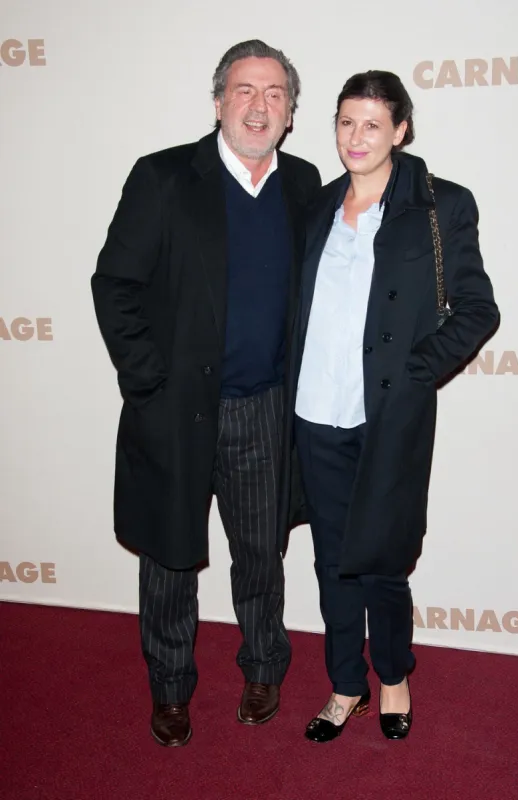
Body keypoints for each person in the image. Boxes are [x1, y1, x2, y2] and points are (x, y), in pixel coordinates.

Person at [91, 39, 321, 747]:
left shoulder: (304, 185)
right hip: (177, 414)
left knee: (260, 555)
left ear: (290, 113)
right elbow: (115, 286)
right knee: (168, 559)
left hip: (265, 409)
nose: (259, 106)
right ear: (219, 99)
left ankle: (262, 669)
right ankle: (169, 689)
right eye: (246, 90)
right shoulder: (163, 178)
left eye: (275, 93)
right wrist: (149, 385)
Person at [289, 70, 498, 742]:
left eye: (372, 124)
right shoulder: (319, 207)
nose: (357, 137)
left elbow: (477, 309)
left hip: (387, 419)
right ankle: (345, 682)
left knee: (381, 557)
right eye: (346, 122)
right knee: (331, 561)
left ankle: (394, 675)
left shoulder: (440, 207)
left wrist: (416, 373)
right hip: (314, 413)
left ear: (401, 130)